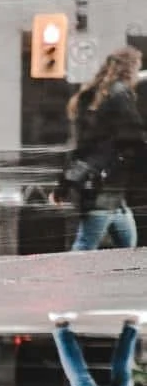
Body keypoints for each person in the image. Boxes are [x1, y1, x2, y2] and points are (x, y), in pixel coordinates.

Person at [57, 47, 147, 250]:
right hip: (103, 189)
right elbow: (134, 138)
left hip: (111, 192)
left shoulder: (97, 96)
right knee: (85, 245)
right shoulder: (120, 96)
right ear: (129, 69)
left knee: (128, 245)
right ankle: (65, 280)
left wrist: (63, 184)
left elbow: (81, 147)